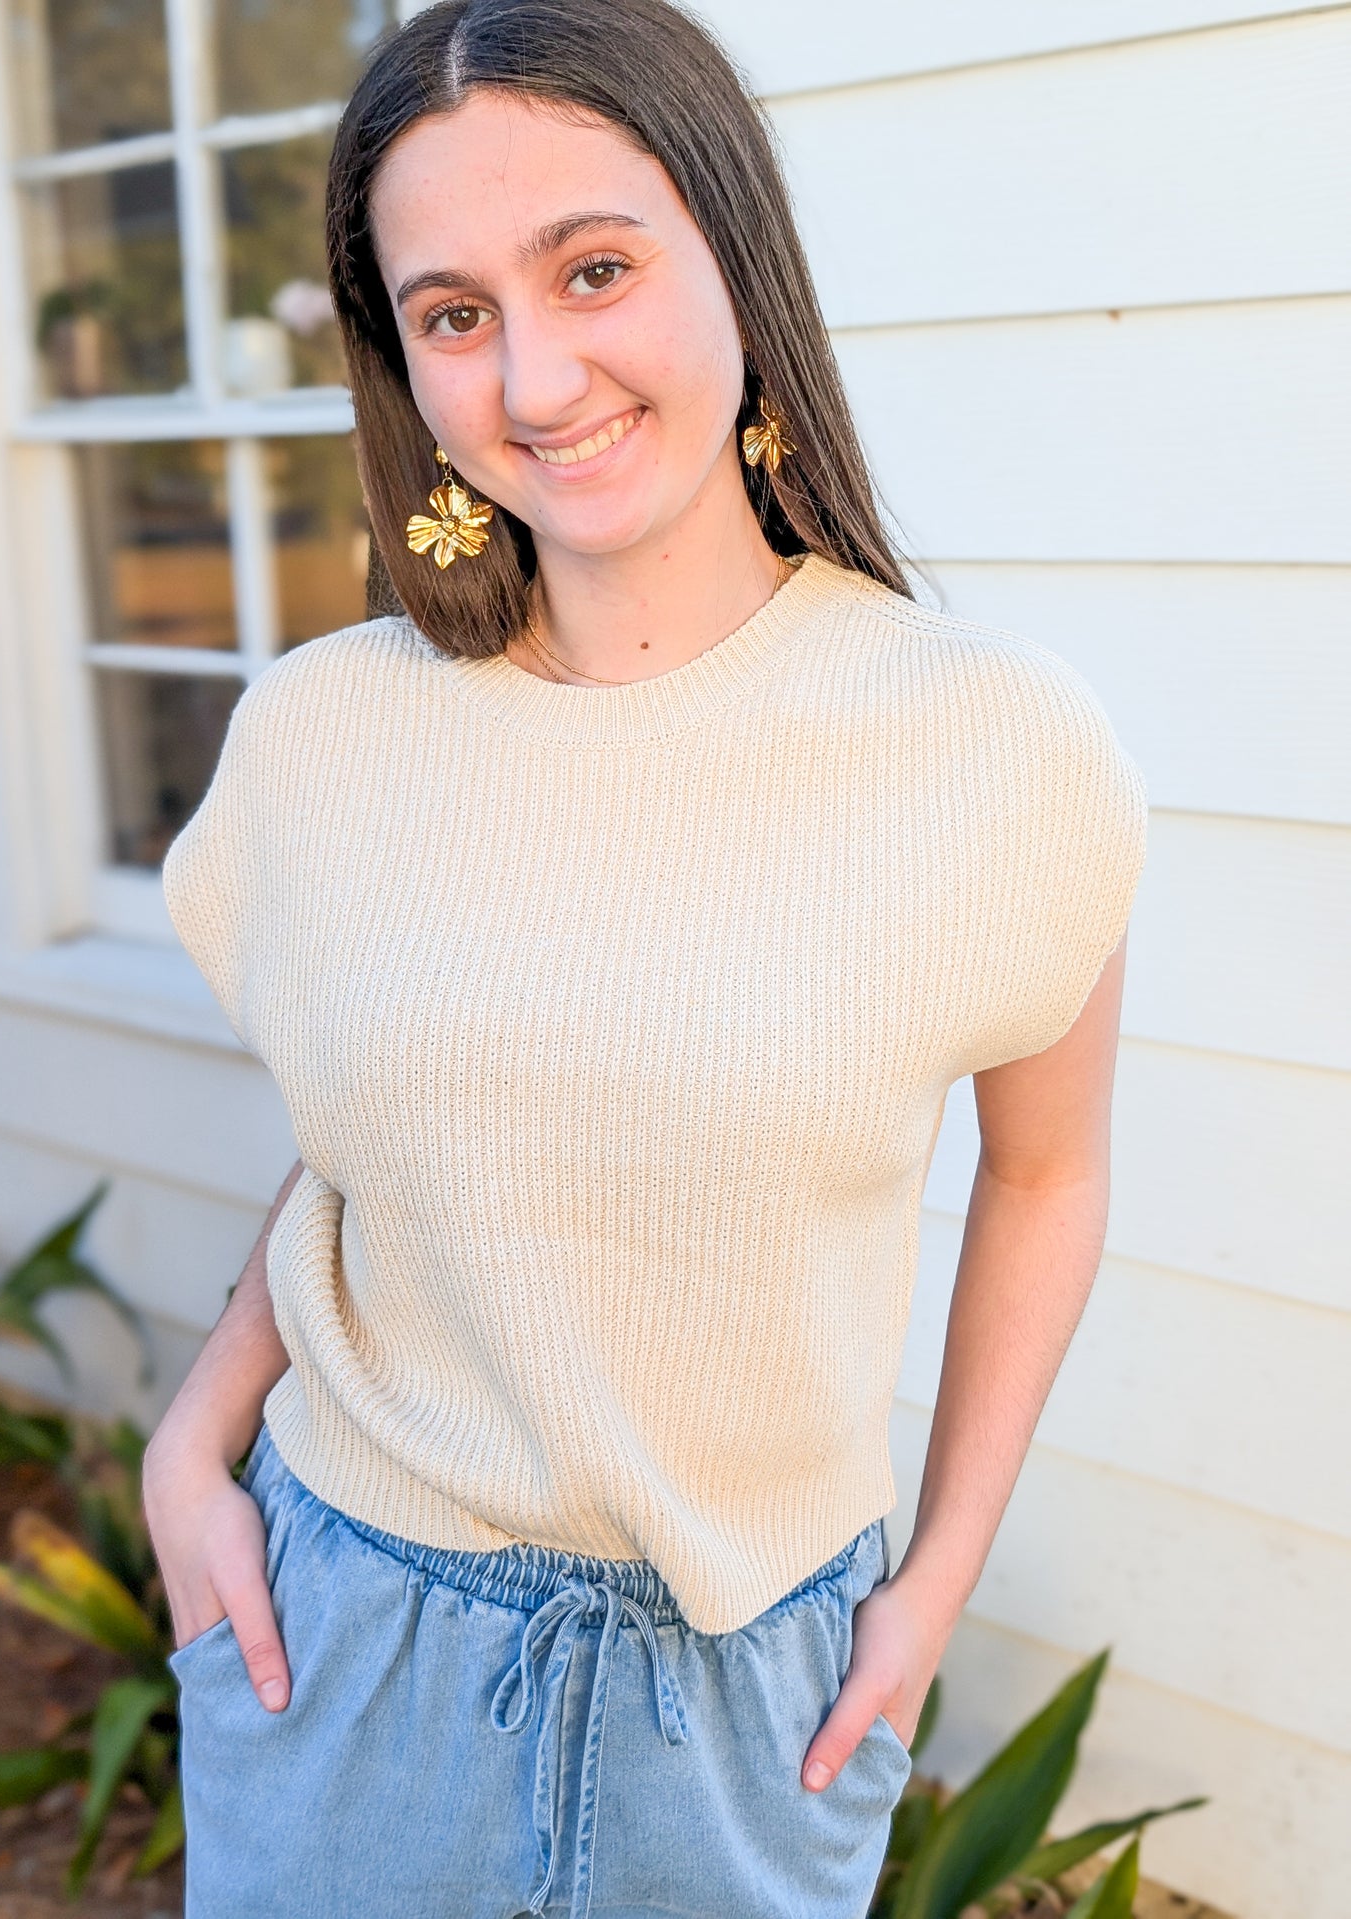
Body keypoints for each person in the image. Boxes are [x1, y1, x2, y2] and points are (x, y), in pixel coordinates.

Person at [143, 2, 1148, 1914]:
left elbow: (1047, 1168)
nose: (534, 375)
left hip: (751, 1698)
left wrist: (931, 1584)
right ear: (403, 366)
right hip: (341, 1642)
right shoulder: (325, 737)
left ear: (734, 259)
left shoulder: (994, 748)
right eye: (450, 313)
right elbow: (387, 1141)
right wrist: (194, 1437)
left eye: (592, 268)